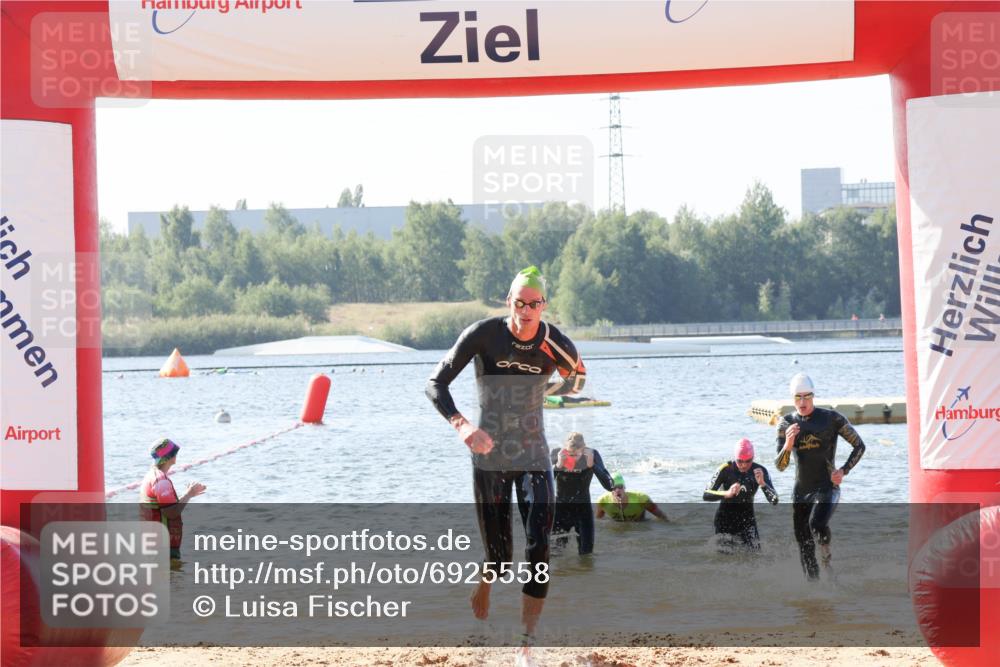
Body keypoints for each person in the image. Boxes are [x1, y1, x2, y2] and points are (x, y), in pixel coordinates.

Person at [425, 266, 586, 652]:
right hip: (489, 456)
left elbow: (578, 379)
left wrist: (545, 388)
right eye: (519, 302)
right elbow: (435, 383)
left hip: (533, 452)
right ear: (508, 301)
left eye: (534, 304)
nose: (526, 310)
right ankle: (486, 577)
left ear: (544, 305)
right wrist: (462, 425)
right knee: (500, 559)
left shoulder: (555, 342)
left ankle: (526, 640)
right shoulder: (484, 335)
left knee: (539, 544)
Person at [775, 373, 865, 580]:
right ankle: (813, 588)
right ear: (792, 398)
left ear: (813, 396)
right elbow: (780, 466)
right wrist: (788, 445)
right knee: (803, 542)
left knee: (816, 524)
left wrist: (843, 470)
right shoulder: (786, 423)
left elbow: (859, 445)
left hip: (827, 487)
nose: (803, 402)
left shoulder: (831, 418)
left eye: (807, 396)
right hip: (801, 491)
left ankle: (827, 560)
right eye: (798, 397)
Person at [703, 438, 778, 552]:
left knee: (755, 556)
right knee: (725, 561)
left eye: (748, 461)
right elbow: (706, 494)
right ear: (735, 458)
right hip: (725, 521)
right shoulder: (725, 469)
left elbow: (774, 500)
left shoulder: (760, 471)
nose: (743, 465)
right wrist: (726, 493)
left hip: (747, 520)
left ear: (753, 458)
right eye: (739, 461)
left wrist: (762, 484)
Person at [139, 438, 207, 561]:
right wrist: (188, 494)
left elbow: (166, 506)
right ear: (169, 456)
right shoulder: (161, 480)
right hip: (162, 546)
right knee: (170, 577)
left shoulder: (152, 476)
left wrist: (188, 495)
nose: (177, 455)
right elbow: (171, 512)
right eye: (175, 452)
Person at [550, 431, 615, 555]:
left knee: (586, 556)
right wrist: (557, 466)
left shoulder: (592, 454)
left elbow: (609, 486)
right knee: (555, 554)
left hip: (583, 511)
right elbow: (543, 485)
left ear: (584, 449)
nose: (573, 459)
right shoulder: (557, 454)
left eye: (576, 455)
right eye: (570, 455)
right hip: (560, 511)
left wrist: (592, 465)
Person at [595, 473, 669, 522]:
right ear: (609, 489)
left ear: (624, 487)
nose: (617, 490)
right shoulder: (603, 501)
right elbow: (598, 521)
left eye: (620, 487)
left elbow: (663, 518)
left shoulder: (641, 498)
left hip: (641, 527)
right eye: (614, 488)